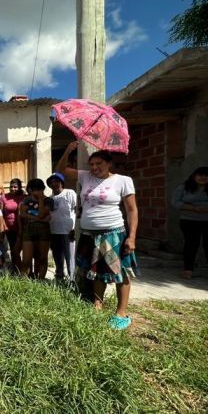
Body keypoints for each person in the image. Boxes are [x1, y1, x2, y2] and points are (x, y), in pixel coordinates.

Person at [57, 141, 138, 330]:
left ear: (109, 163)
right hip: (88, 234)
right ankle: (97, 304)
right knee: (95, 272)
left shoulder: (123, 180)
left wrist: (132, 236)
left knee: (120, 272)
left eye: (99, 163)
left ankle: (122, 312)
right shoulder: (86, 177)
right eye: (91, 164)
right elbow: (60, 171)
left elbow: (132, 210)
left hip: (113, 233)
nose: (94, 167)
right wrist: (68, 150)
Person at [171, 166, 208, 279]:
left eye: (206, 175)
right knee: (191, 244)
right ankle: (188, 269)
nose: (203, 177)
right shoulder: (184, 187)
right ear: (194, 176)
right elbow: (175, 202)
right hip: (189, 220)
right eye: (200, 175)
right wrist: (192, 208)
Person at [19, 179, 54, 279]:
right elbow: (22, 214)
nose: (35, 192)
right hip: (29, 228)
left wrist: (40, 200)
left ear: (43, 189)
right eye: (33, 189)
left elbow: (42, 213)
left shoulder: (49, 200)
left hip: (43, 230)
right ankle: (23, 282)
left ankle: (41, 280)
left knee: (42, 258)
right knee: (26, 260)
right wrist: (38, 219)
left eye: (38, 189)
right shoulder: (27, 200)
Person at [47, 173, 77, 282]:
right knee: (57, 258)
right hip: (54, 232)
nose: (54, 184)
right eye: (51, 182)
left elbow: (77, 210)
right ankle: (59, 279)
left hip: (68, 232)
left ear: (62, 182)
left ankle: (73, 280)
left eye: (56, 181)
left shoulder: (69, 193)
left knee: (70, 259)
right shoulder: (50, 198)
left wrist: (75, 229)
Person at [0, 178, 26, 268]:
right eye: (11, 187)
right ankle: (15, 269)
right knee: (13, 250)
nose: (13, 189)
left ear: (19, 187)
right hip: (9, 228)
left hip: (22, 227)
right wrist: (4, 225)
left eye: (15, 187)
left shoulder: (24, 197)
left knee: (21, 250)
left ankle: (24, 270)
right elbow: (1, 213)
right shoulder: (4, 197)